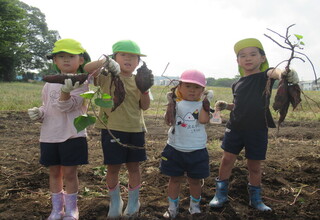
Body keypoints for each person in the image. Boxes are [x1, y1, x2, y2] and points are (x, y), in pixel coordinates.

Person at [209, 38, 299, 211]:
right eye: (242, 55)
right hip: (235, 128)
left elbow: (275, 72)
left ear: (262, 58)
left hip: (257, 129)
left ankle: (256, 199)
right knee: (227, 160)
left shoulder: (264, 77)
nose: (247, 58)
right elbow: (240, 104)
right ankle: (220, 195)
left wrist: (285, 73)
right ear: (237, 61)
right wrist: (226, 106)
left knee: (254, 166)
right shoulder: (237, 83)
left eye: (253, 54)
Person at [84, 40, 153, 219]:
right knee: (113, 167)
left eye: (133, 57)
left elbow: (145, 107)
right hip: (112, 129)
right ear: (115, 58)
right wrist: (105, 62)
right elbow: (86, 68)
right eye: (123, 55)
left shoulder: (140, 80)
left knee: (134, 167)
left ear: (138, 62)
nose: (128, 59)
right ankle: (115, 201)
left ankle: (133, 201)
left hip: (135, 130)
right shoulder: (106, 77)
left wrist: (145, 90)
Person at [28, 38, 91, 220]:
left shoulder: (82, 84)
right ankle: (57, 209)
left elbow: (67, 106)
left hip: (72, 134)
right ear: (55, 61)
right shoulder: (48, 84)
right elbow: (48, 107)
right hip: (49, 134)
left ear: (81, 60)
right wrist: (38, 113)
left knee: (70, 173)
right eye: (61, 56)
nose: (65, 60)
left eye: (71, 56)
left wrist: (65, 91)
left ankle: (72, 209)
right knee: (54, 172)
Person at [160, 70, 212, 218]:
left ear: (202, 90)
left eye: (197, 87)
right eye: (188, 86)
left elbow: (202, 120)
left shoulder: (203, 104)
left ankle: (194, 207)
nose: (192, 90)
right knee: (174, 179)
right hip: (175, 148)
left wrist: (206, 102)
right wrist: (170, 103)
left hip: (197, 150)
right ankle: (172, 208)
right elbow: (168, 121)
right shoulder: (177, 103)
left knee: (195, 181)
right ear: (180, 87)